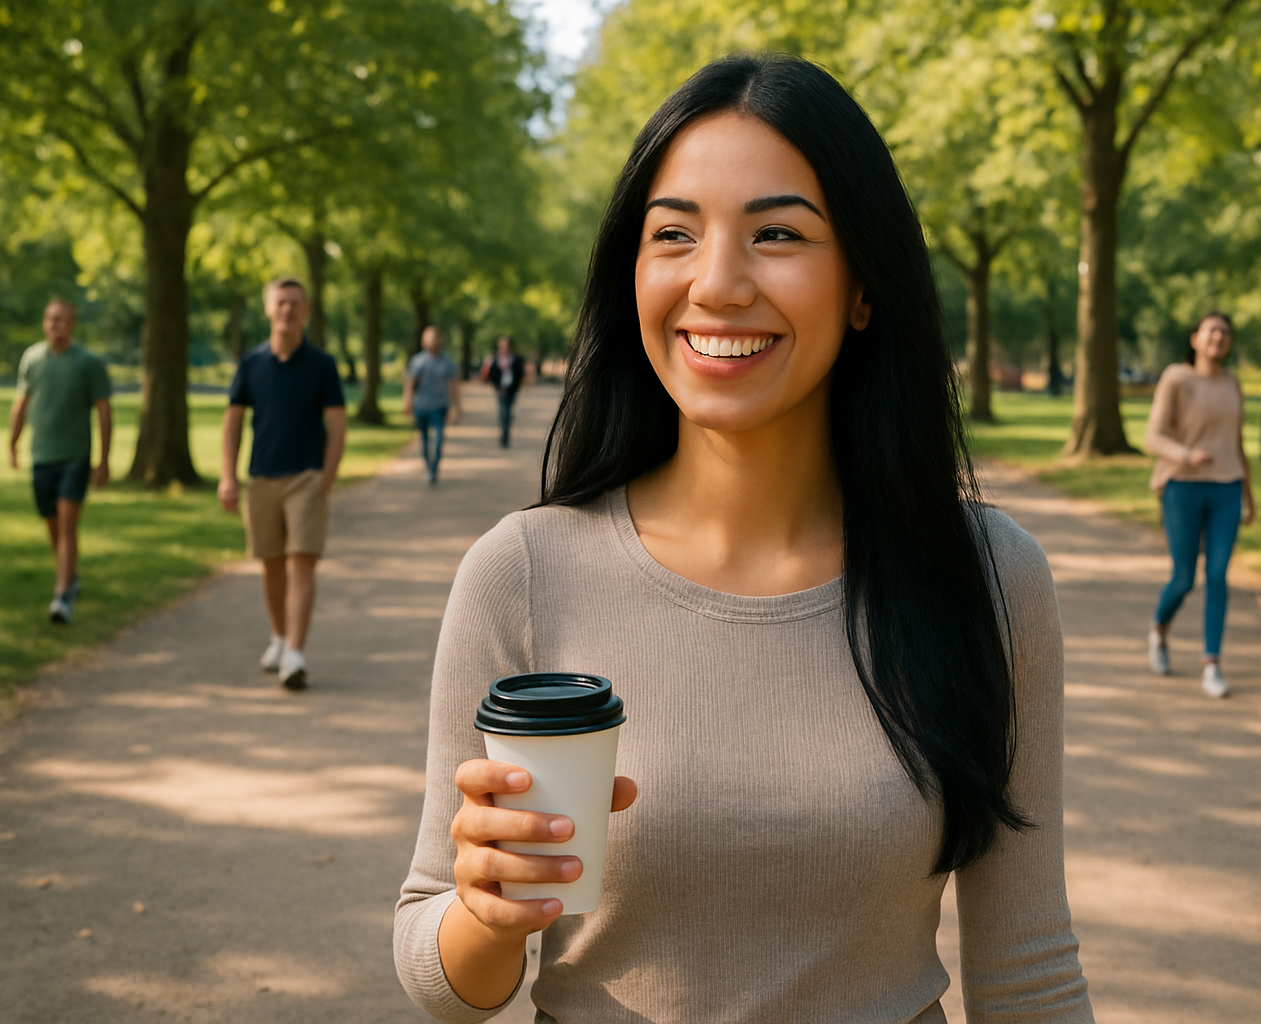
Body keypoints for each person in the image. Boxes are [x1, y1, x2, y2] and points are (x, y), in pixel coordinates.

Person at [394, 54, 1091, 1023]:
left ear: (863, 287)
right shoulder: (521, 572)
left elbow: (1029, 969)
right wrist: (487, 910)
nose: (716, 283)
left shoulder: (987, 577)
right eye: (673, 234)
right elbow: (441, 970)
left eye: (777, 234)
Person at [219, 278, 347, 690]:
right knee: (270, 564)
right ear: (268, 309)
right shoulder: (251, 363)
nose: (287, 311)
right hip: (261, 479)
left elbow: (338, 424)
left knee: (300, 562)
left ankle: (295, 651)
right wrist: (228, 475)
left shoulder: (322, 365)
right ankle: (278, 637)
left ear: (306, 311)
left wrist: (326, 478)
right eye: (280, 303)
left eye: (295, 304)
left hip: (306, 478)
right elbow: (234, 420)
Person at [1143, 312, 1256, 698]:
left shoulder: (1232, 384)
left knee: (1220, 573)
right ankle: (1159, 629)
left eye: (1226, 332)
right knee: (1185, 577)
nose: (1219, 337)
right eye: (1212, 330)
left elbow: (1237, 443)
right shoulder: (1177, 378)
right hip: (1183, 486)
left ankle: (1212, 664)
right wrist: (1185, 454)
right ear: (1195, 338)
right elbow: (1152, 436)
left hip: (1226, 488)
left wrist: (1249, 495)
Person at [7, 299, 112, 624]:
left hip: (75, 457)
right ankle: (70, 576)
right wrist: (12, 443)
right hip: (42, 456)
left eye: (61, 319)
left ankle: (62, 593)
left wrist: (103, 459)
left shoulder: (88, 363)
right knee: (52, 524)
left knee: (67, 525)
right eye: (50, 319)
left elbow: (104, 410)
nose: (55, 325)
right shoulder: (33, 359)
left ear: (73, 323)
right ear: (44, 322)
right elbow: (22, 403)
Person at [403, 326, 460, 483]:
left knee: (439, 439)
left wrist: (456, 407)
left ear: (440, 340)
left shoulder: (447, 362)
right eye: (429, 338)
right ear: (424, 341)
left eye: (435, 338)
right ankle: (428, 466)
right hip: (421, 406)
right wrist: (408, 402)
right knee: (424, 440)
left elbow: (454, 386)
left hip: (439, 406)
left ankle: (433, 469)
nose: (432, 341)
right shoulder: (417, 361)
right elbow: (410, 383)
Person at [479, 336, 526, 448]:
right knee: (503, 412)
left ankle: (506, 431)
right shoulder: (496, 358)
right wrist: (496, 385)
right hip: (500, 389)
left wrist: (517, 385)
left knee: (507, 411)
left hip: (512, 389)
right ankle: (504, 435)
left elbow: (520, 373)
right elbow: (491, 373)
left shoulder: (516, 359)